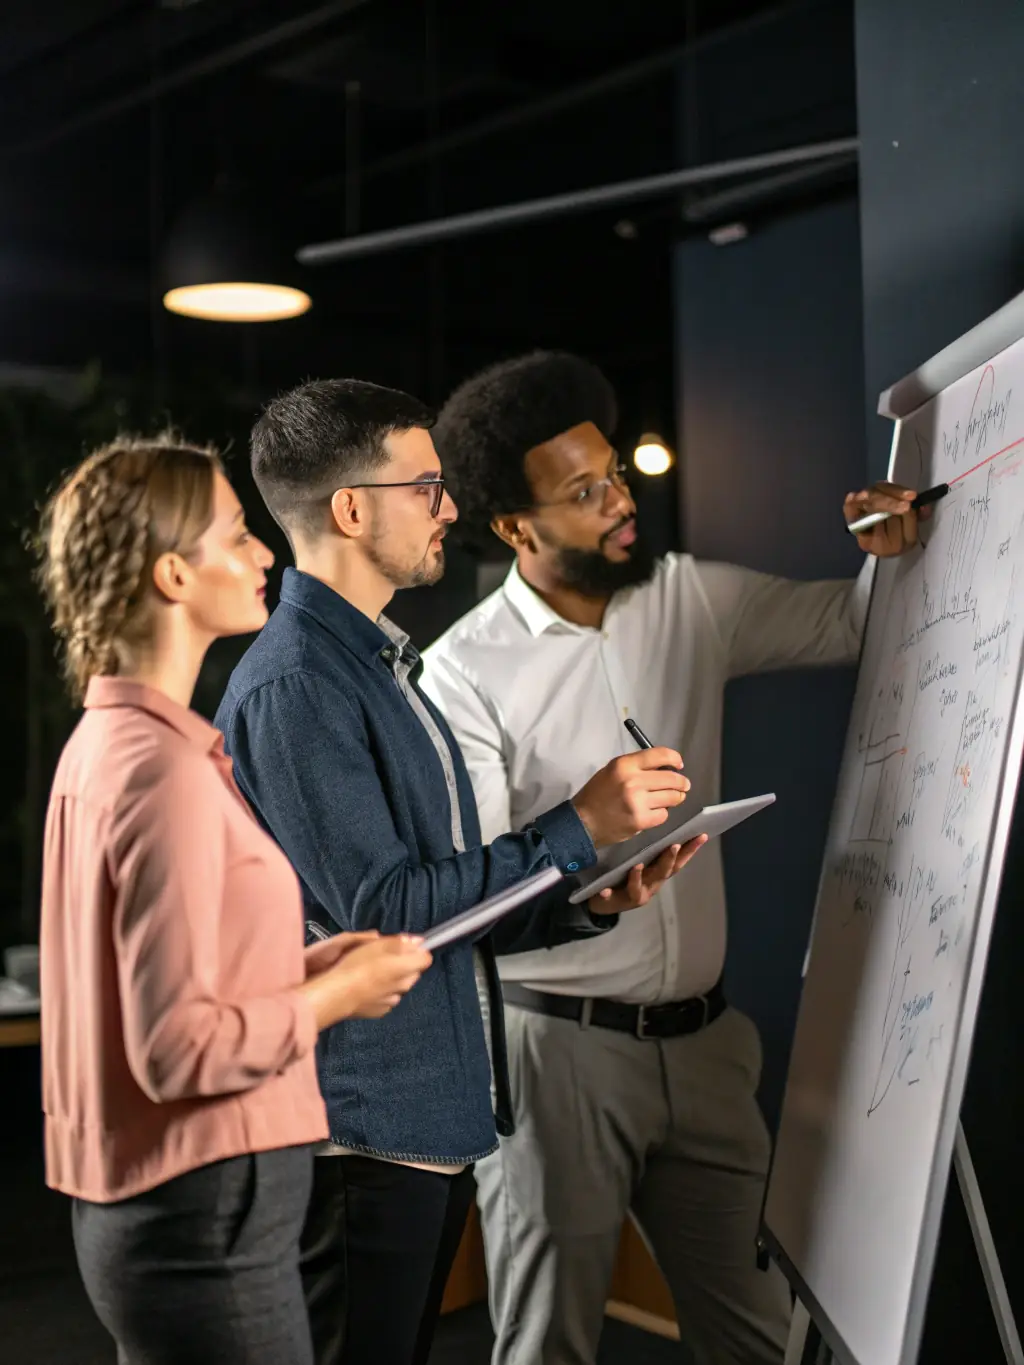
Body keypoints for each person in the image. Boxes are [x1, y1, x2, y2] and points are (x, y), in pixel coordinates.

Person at [419, 351, 924, 1365]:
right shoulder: (460, 673)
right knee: (546, 1345)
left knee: (761, 1337)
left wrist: (890, 547)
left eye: (615, 472)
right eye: (583, 491)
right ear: (517, 528)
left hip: (706, 1049)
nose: (620, 501)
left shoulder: (690, 597)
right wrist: (587, 822)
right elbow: (476, 889)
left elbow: (853, 624)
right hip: (554, 1054)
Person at [213, 378, 706, 1365]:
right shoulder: (301, 684)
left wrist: (581, 898)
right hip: (356, 1133)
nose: (448, 509)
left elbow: (439, 899)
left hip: (417, 1121)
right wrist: (577, 821)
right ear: (351, 510)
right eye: (426, 487)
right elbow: (388, 917)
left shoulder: (375, 668)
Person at [36, 435, 432, 1365]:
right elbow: (179, 1048)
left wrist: (298, 968)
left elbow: (151, 986)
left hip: (158, 1210)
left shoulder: (108, 744)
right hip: (205, 1218)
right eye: (236, 535)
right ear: (175, 574)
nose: (263, 554)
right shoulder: (161, 772)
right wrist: (334, 997)